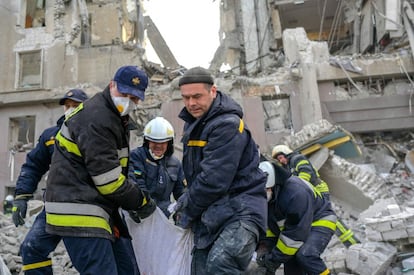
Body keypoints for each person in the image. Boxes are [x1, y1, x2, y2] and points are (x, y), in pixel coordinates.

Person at [44, 65, 156, 275]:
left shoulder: (112, 118)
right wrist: (141, 201)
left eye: (134, 98)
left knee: (128, 270)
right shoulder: (97, 118)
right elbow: (109, 181)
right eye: (124, 94)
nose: (128, 101)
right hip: (79, 212)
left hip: (94, 207)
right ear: (111, 85)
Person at [174, 66, 268, 274]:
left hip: (240, 211)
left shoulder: (227, 124)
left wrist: (186, 209)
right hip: (213, 215)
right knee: (199, 269)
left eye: (197, 96)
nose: (191, 103)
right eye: (186, 98)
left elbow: (213, 181)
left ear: (213, 91)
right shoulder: (196, 124)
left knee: (220, 266)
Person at [11, 89, 88, 274]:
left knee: (88, 259)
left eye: (75, 106)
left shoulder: (95, 134)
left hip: (87, 209)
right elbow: (33, 166)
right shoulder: (51, 136)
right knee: (32, 248)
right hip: (55, 206)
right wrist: (22, 196)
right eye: (67, 106)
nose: (70, 109)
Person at [257, 160, 337, 275]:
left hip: (319, 220)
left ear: (273, 185)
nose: (260, 195)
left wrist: (273, 260)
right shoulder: (269, 198)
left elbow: (295, 235)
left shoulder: (295, 193)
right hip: (297, 226)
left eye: (264, 190)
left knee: (306, 255)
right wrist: (264, 248)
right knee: (292, 268)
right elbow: (271, 228)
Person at [272, 145, 360, 248]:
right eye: (279, 159)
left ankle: (353, 243)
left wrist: (298, 189)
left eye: (281, 157)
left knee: (328, 216)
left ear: (286, 153)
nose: (281, 161)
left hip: (318, 191)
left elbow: (305, 172)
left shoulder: (297, 158)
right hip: (309, 194)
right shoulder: (288, 166)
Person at [128, 116, 186, 218]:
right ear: (147, 141)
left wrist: (181, 210)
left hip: (163, 220)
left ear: (169, 143)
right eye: (154, 142)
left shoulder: (175, 164)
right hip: (139, 217)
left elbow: (182, 193)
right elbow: (137, 186)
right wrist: (147, 208)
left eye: (163, 142)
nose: (158, 146)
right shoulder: (135, 157)